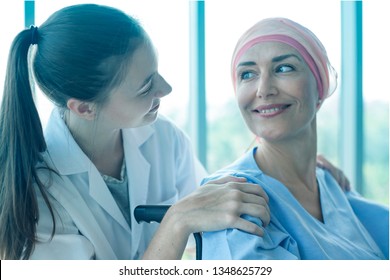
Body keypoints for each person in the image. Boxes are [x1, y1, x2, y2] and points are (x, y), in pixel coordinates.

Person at [0, 4, 347, 260]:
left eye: (156, 71)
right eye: (145, 86)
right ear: (85, 108)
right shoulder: (36, 193)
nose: (165, 89)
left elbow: (211, 200)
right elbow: (189, 212)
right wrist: (176, 222)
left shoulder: (163, 138)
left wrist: (289, 167)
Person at [201, 17, 389, 260]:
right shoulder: (231, 197)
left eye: (283, 68)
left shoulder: (332, 185)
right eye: (248, 74)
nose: (264, 89)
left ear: (319, 88)